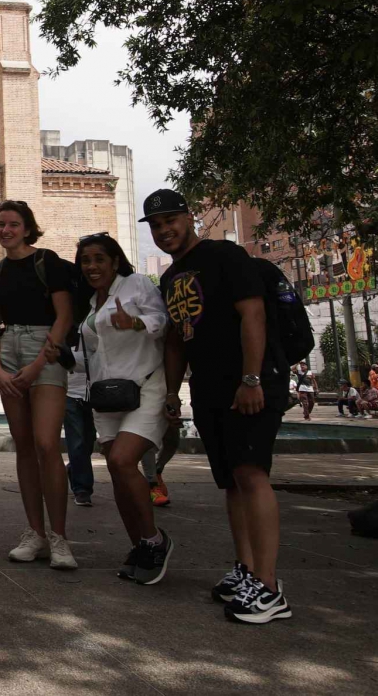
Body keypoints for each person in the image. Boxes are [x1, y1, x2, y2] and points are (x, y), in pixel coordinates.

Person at [147, 188, 290, 624]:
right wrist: (173, 393)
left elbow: (253, 315)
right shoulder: (172, 278)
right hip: (208, 386)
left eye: (171, 220)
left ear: (189, 218)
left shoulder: (224, 256)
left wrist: (251, 378)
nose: (164, 230)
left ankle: (269, 587)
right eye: (156, 225)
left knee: (251, 473)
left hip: (249, 381)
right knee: (230, 479)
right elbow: (175, 340)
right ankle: (246, 570)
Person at [0, 199, 77, 569]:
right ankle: (35, 533)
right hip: (8, 350)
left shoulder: (47, 262)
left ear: (27, 227)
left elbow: (64, 315)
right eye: (1, 224)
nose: (6, 230)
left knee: (46, 443)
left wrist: (38, 365)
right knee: (23, 445)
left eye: (13, 224)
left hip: (46, 349)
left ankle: (60, 537)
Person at [75, 233, 174, 584]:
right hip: (107, 397)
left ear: (115, 261)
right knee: (117, 473)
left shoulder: (135, 285)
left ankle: (155, 540)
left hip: (145, 386)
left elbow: (162, 322)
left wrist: (134, 322)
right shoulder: (91, 302)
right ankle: (139, 545)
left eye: (99, 258)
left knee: (121, 460)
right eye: (86, 260)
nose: (92, 266)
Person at [63, 357, 96, 508]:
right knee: (77, 441)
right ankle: (82, 489)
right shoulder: (63, 334)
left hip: (96, 391)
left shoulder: (96, 333)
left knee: (89, 441)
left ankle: (74, 467)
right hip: (70, 392)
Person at [142, 421, 180, 506]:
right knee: (148, 442)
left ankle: (157, 471)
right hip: (144, 410)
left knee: (173, 441)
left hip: (166, 409)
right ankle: (152, 486)